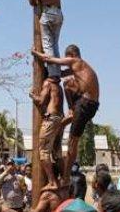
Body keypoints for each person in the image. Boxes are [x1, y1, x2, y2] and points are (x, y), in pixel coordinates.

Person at [32, 44, 99, 184]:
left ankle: (66, 177)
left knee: (72, 142)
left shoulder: (76, 61)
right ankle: (71, 112)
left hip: (85, 103)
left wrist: (35, 53)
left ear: (71, 55)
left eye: (67, 57)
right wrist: (47, 73)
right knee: (67, 83)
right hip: (89, 104)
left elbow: (50, 59)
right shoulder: (81, 67)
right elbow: (60, 74)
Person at [26, 0, 63, 79]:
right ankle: (56, 70)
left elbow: (32, 2)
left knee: (47, 44)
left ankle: (53, 74)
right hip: (59, 13)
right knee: (55, 44)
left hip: (48, 13)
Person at [30, 77, 65, 191]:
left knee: (44, 151)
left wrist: (32, 95)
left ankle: (52, 182)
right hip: (60, 118)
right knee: (57, 152)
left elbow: (41, 101)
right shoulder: (58, 86)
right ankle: (64, 178)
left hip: (51, 119)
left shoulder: (48, 83)